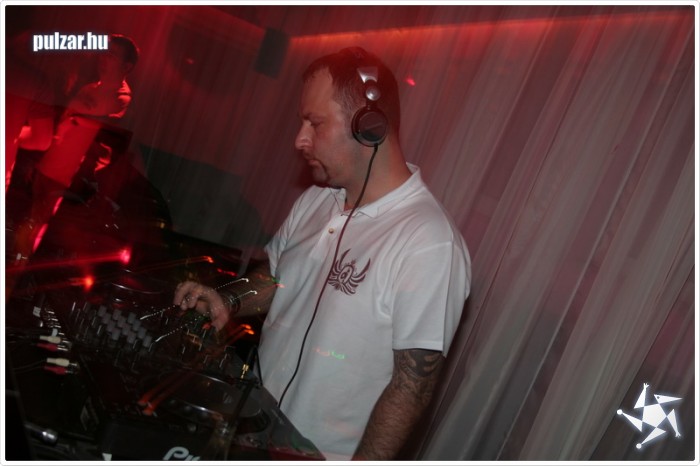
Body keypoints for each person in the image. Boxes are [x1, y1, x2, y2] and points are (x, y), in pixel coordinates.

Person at [174, 47, 471, 460]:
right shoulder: (315, 200)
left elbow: (411, 389)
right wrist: (229, 300)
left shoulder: (428, 242)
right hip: (249, 428)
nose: (299, 139)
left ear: (369, 127)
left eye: (314, 123)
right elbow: (275, 277)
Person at [13, 34, 139, 261]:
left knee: (42, 232)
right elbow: (67, 122)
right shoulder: (90, 88)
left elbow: (92, 123)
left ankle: (22, 268)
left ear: (126, 66)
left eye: (111, 55)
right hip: (49, 166)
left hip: (69, 179)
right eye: (104, 53)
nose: (103, 59)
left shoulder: (121, 98)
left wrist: (80, 112)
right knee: (27, 222)